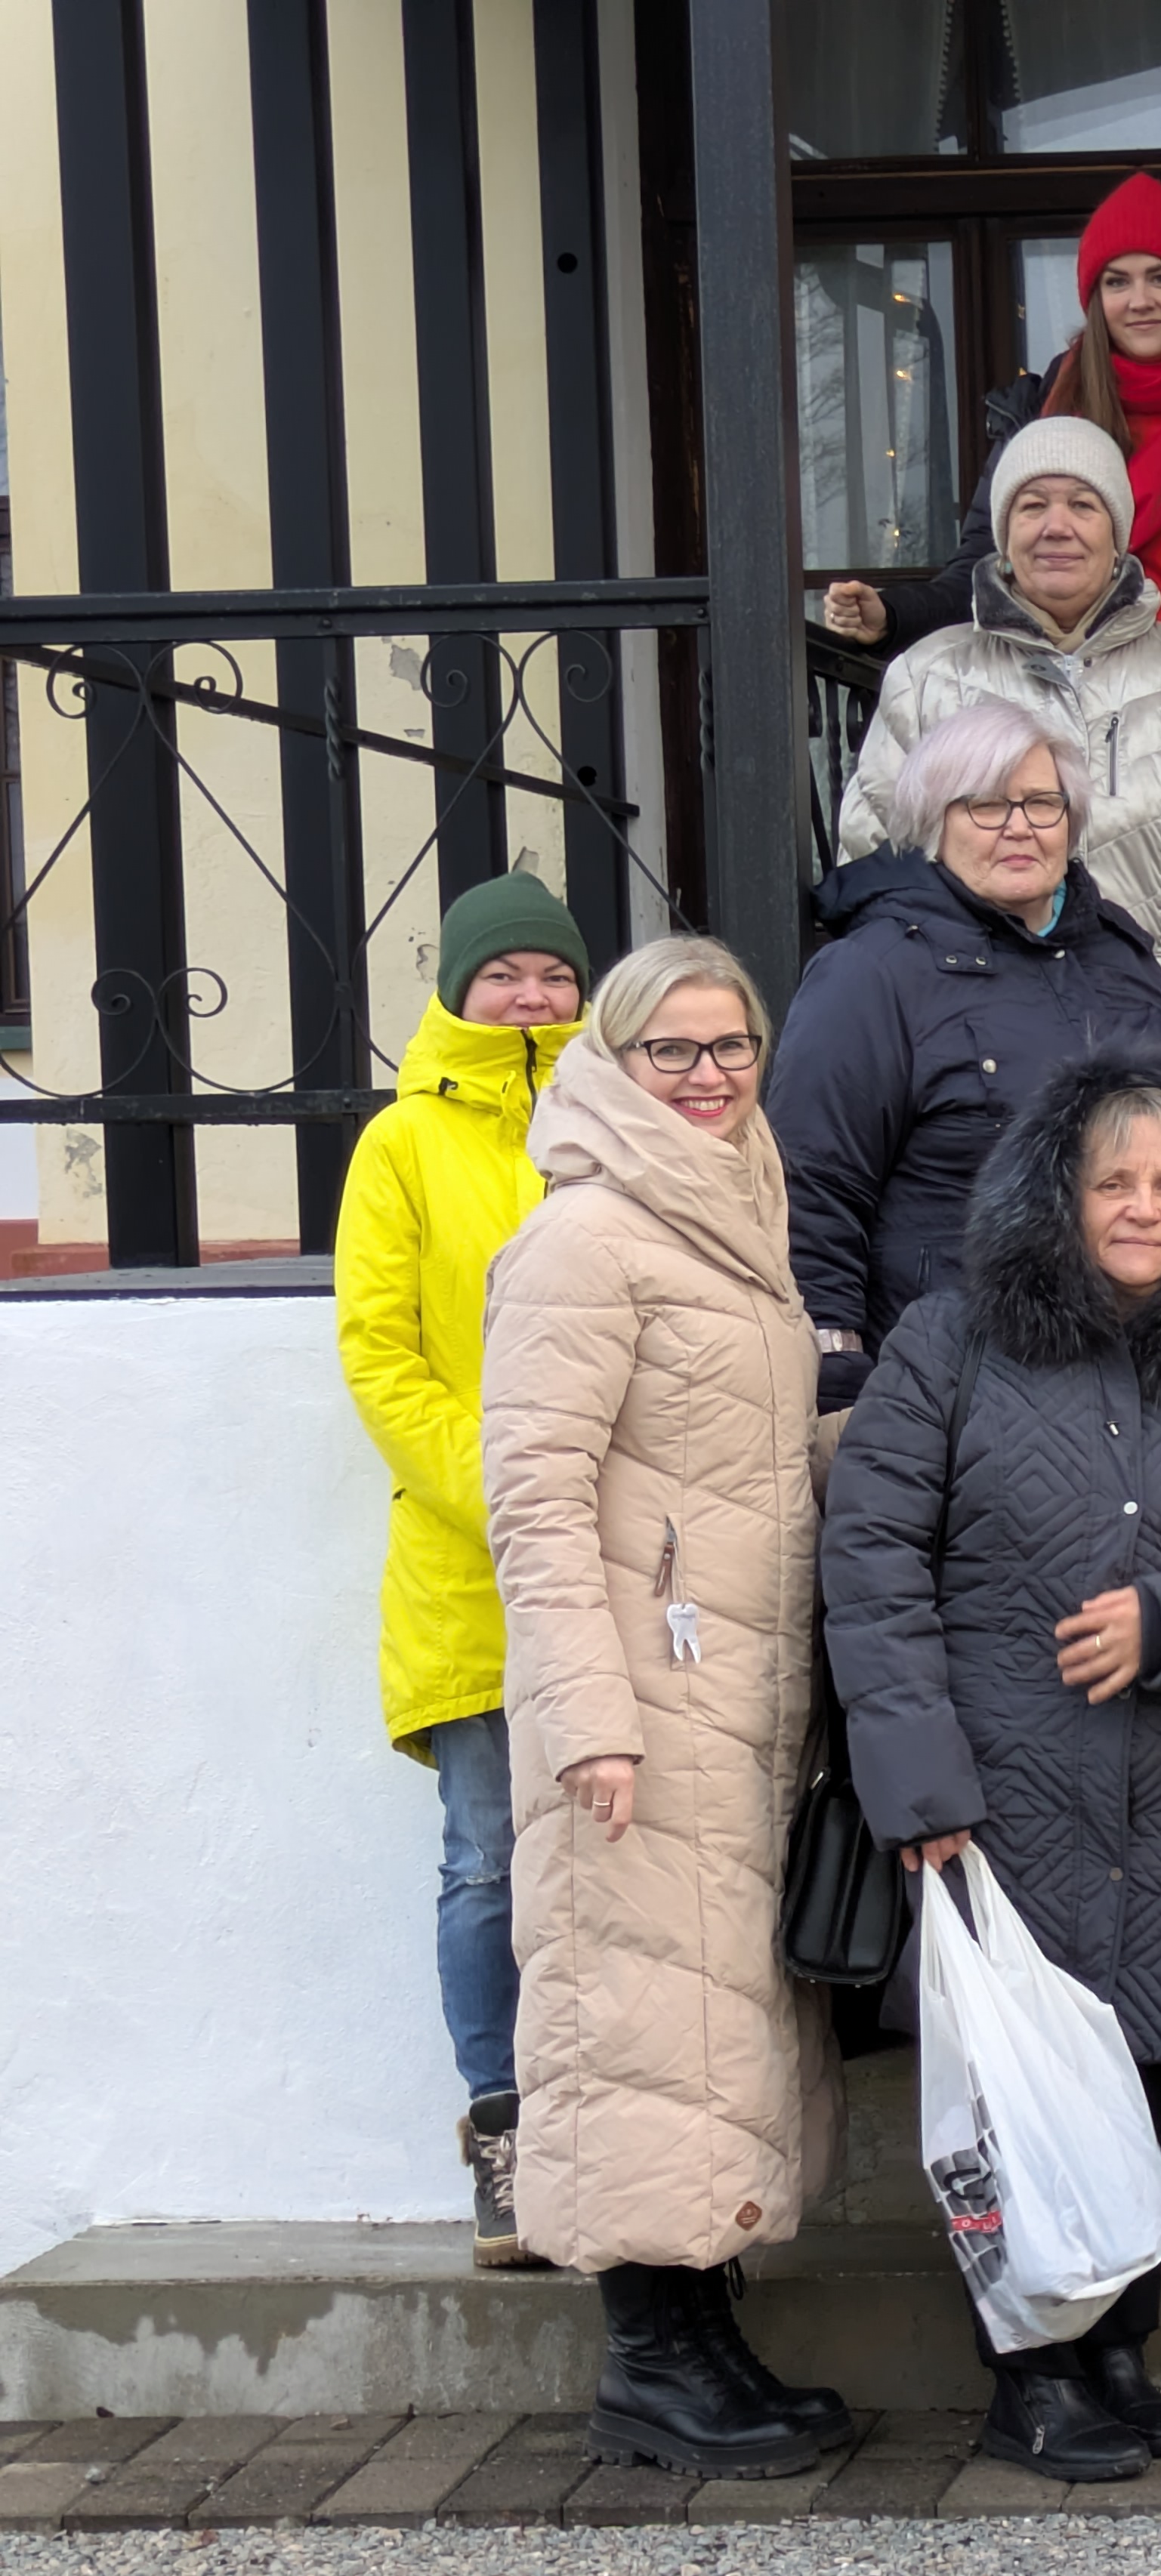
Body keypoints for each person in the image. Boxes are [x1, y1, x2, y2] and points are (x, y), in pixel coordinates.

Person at [826, 1044, 1161, 2482]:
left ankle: (1119, 2334)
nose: (1141, 1207)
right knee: (1016, 2090)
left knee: (1146, 2070)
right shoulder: (947, 1341)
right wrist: (919, 1785)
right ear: (1051, 1195)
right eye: (1112, 1180)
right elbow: (871, 1563)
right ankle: (1028, 2370)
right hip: (1000, 1795)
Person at [481, 935, 848, 2479]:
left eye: (730, 1045)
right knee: (630, 2016)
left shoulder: (736, 1203)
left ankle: (700, 2332)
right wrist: (591, 1718)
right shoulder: (584, 1236)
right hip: (637, 1704)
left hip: (734, 1694)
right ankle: (649, 2360)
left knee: (700, 2027)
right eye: (672, 1050)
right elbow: (534, 1498)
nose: (707, 1074)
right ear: (613, 1062)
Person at [334, 868, 594, 2271]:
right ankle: (506, 2128)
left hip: (619, 1555)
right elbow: (380, 1353)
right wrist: (504, 1487)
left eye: (553, 974)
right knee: (489, 1859)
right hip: (471, 1563)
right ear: (455, 989)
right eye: (504, 975)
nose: (531, 997)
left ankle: (599, 2133)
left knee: (615, 1859)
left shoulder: (624, 1117)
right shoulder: (401, 1145)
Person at [772, 702, 1161, 1417]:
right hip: (952, 1386)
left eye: (1042, 803)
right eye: (987, 805)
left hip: (1139, 1378)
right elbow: (813, 1189)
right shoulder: (871, 973)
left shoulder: (1124, 958)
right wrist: (838, 1380)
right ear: (935, 823)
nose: (1019, 826)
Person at [835, 415, 1161, 1041]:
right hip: (977, 1045)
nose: (1057, 526)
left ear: (1118, 537)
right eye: (1032, 506)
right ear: (1004, 536)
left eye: (1083, 504)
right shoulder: (926, 678)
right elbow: (874, 876)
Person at [820, 171, 1161, 649]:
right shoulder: (1041, 411)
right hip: (1059, 677)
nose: (1140, 301)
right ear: (1096, 299)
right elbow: (983, 568)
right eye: (1117, 282)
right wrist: (892, 613)